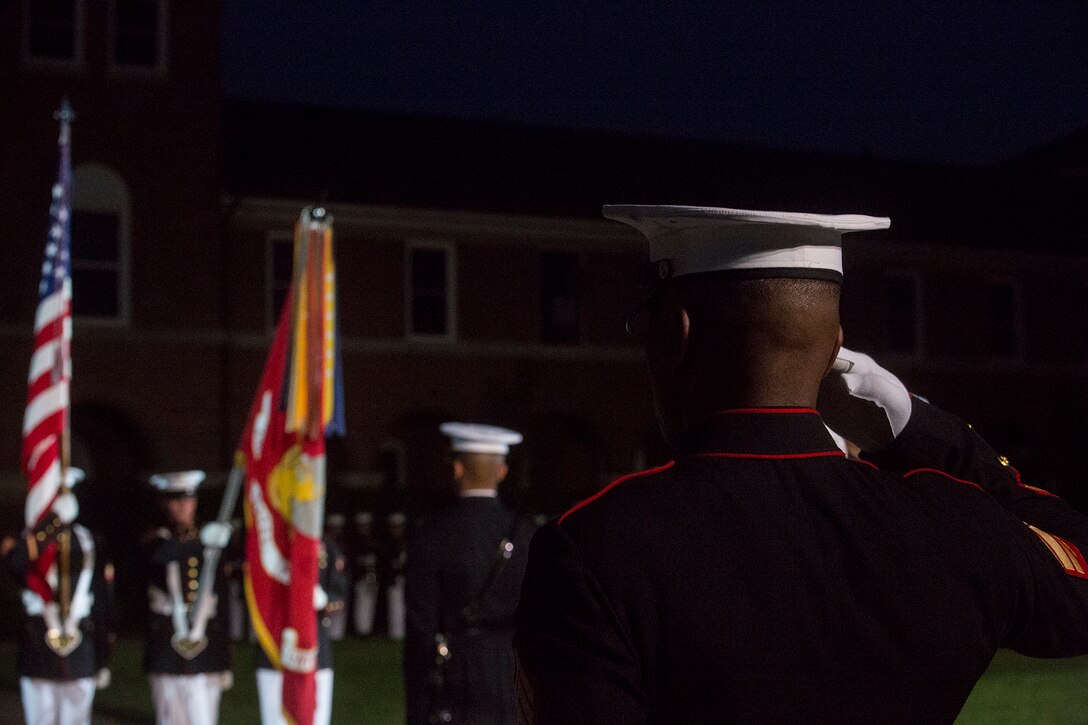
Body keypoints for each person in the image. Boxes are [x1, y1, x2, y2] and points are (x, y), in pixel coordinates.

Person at [513, 205, 1088, 723]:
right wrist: (918, 429)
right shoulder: (950, 524)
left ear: (677, 332)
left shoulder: (595, 547)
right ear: (835, 341)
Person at [404, 423, 535, 725]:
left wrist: (417, 708)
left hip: (455, 672)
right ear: (501, 472)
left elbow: (421, 631)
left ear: (457, 468)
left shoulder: (430, 533)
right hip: (512, 672)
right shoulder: (527, 534)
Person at [1, 467, 113, 725]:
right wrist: (49, 523)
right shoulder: (29, 541)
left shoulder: (89, 540)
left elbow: (102, 601)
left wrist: (102, 655)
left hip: (81, 645)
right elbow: (15, 564)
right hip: (38, 645)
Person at [142, 470, 233, 725]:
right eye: (176, 500)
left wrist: (225, 659)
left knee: (205, 716)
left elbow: (222, 599)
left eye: (188, 499)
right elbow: (161, 556)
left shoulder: (211, 541)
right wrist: (202, 541)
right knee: (171, 716)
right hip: (167, 646)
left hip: (206, 645)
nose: (183, 506)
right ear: (166, 504)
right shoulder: (158, 538)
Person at [255, 534, 348, 725]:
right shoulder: (268, 542)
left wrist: (324, 600)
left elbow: (338, 591)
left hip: (315, 645)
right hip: (275, 645)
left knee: (316, 716)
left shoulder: (326, 546)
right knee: (275, 716)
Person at [349, 511, 380, 636]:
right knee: (360, 605)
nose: (364, 528)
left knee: (370, 606)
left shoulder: (373, 541)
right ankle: (361, 631)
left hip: (371, 578)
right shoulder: (354, 542)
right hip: (360, 579)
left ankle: (367, 631)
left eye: (366, 525)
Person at [384, 511, 408, 640]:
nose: (397, 529)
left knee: (404, 607)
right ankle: (396, 634)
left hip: (405, 580)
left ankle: (403, 633)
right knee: (395, 608)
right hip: (394, 580)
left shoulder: (406, 542)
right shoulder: (388, 543)